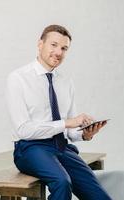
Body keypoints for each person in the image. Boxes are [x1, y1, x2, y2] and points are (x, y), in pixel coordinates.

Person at [6, 24, 112, 200]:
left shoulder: (65, 82)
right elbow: (23, 130)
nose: (58, 52)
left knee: (99, 195)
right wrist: (67, 122)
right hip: (30, 148)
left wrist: (85, 134)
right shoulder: (18, 79)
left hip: (62, 147)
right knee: (62, 182)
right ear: (40, 44)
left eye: (64, 48)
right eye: (53, 45)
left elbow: (70, 131)